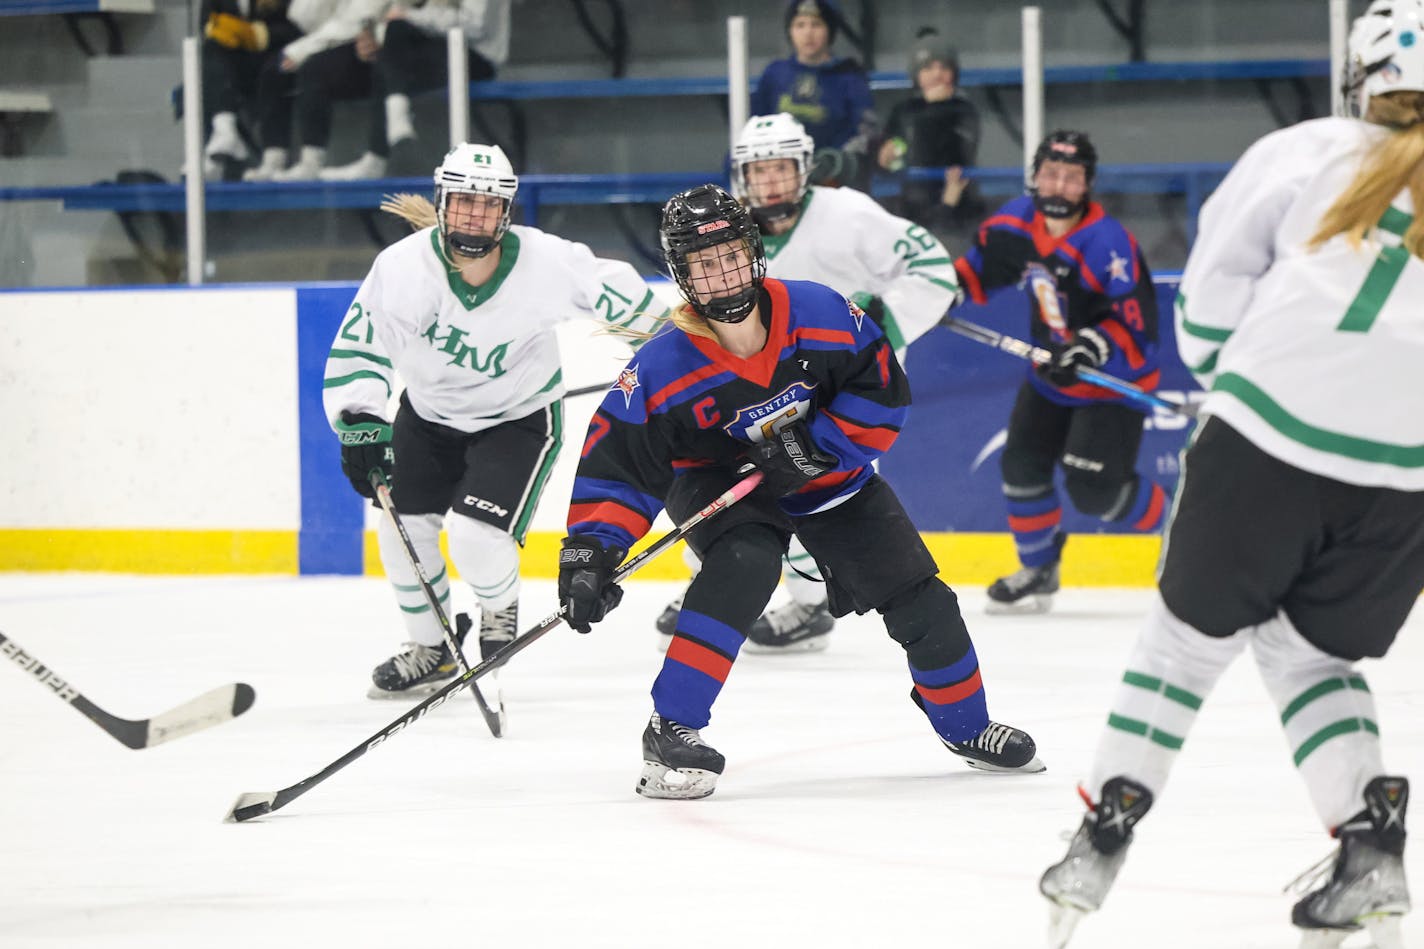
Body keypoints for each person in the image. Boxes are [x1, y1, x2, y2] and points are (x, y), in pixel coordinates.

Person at [1038, 2, 1424, 945]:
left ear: (1359, 78)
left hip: (1270, 428)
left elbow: (1209, 303)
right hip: (1411, 470)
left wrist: (1229, 384)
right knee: (1310, 655)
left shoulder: (1309, 148)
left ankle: (1100, 836)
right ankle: (1370, 847)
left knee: (1182, 645)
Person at [556, 183, 1043, 800]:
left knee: (922, 598)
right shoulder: (660, 367)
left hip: (826, 473)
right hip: (721, 483)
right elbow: (618, 467)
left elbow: (882, 389)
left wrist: (820, 448)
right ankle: (671, 727)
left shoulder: (820, 312)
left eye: (730, 255)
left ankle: (966, 726)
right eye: (704, 265)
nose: (723, 275)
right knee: (744, 566)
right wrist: (591, 553)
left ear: (754, 253)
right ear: (683, 275)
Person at [322, 142, 667, 698]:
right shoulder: (404, 267)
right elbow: (364, 346)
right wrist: (360, 417)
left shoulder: (546, 261)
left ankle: (498, 608)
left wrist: (676, 353)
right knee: (400, 530)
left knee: (477, 536)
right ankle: (431, 647)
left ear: (505, 210)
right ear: (442, 202)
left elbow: (621, 295)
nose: (474, 214)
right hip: (427, 415)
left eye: (487, 204)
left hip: (518, 419)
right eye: (462, 202)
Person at [652, 112, 962, 654]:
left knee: (820, 497)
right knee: (724, 488)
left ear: (804, 169)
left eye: (781, 169)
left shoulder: (848, 215)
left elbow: (934, 269)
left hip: (840, 394)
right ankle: (720, 580)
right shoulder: (727, 230)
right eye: (758, 171)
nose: (769, 182)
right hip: (756, 391)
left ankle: (813, 606)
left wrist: (882, 320)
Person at [952, 129, 1170, 614]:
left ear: (1087, 184)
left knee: (1094, 492)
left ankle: (1178, 518)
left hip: (1113, 382)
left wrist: (1092, 346)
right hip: (1050, 375)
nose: (1058, 186)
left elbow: (1138, 330)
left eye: (1072, 177)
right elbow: (977, 269)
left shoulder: (1108, 245)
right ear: (1035, 176)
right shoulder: (1015, 223)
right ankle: (1039, 568)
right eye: (1051, 174)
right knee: (1021, 467)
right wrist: (940, 293)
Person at [321, 0, 510, 180]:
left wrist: (411, 16)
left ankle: (381, 150)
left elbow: (474, 26)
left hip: (477, 56)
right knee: (392, 46)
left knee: (396, 39)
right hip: (445, 45)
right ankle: (392, 130)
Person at [242, 0, 385, 181]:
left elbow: (355, 22)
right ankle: (273, 160)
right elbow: (304, 18)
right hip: (333, 40)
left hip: (374, 46)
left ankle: (311, 162)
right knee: (274, 70)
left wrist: (302, 50)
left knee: (313, 70)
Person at [199, 0, 331, 181]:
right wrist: (218, 29)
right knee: (210, 57)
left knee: (273, 72)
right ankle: (224, 132)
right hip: (235, 60)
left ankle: (273, 158)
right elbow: (206, 21)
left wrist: (259, 34)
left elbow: (302, 26)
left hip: (280, 51)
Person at [751, 0, 876, 188]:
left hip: (833, 182)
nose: (808, 33)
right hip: (781, 182)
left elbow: (865, 131)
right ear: (790, 31)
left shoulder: (849, 76)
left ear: (830, 30)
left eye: (816, 24)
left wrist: (835, 162)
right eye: (800, 25)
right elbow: (755, 127)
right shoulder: (774, 74)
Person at [875, 27, 984, 241]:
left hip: (958, 205)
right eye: (927, 68)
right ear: (916, 75)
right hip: (912, 205)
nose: (937, 74)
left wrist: (934, 108)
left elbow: (959, 152)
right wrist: (885, 159)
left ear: (954, 73)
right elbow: (893, 154)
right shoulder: (903, 110)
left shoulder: (964, 109)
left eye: (944, 66)